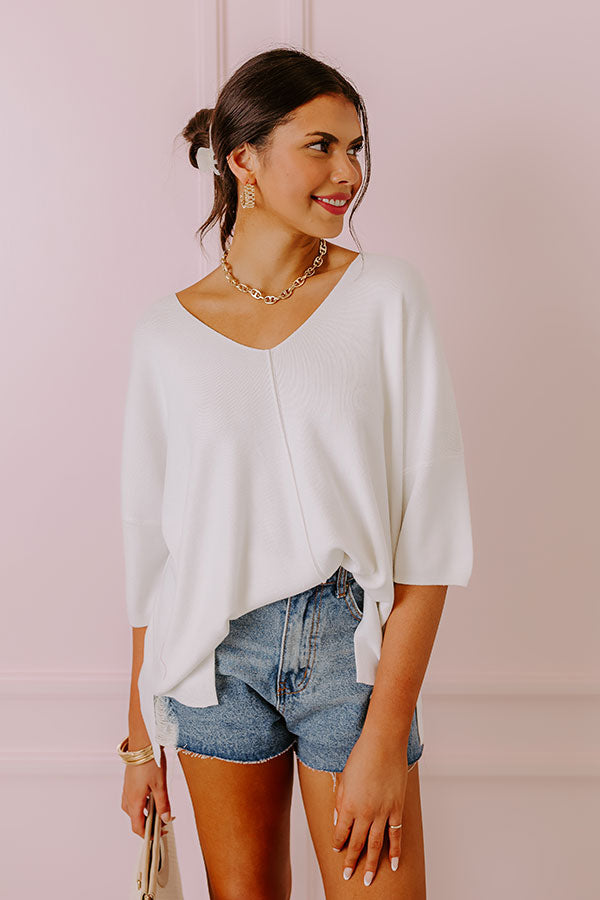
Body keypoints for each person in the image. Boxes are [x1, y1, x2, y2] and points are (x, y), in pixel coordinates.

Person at [118, 47, 473, 899]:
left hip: (347, 651)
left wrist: (384, 736)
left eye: (356, 148)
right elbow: (152, 551)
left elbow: (430, 539)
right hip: (209, 663)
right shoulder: (166, 333)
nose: (348, 173)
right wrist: (139, 738)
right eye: (321, 146)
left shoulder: (386, 296)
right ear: (243, 159)